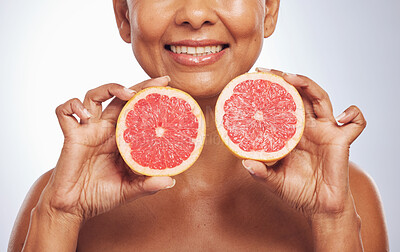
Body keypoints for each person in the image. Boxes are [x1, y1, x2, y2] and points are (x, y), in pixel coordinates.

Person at [8, 0, 388, 251]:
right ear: (125, 16)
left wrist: (333, 221)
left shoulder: (346, 194)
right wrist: (60, 217)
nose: (195, 13)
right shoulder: (58, 197)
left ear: (269, 10)